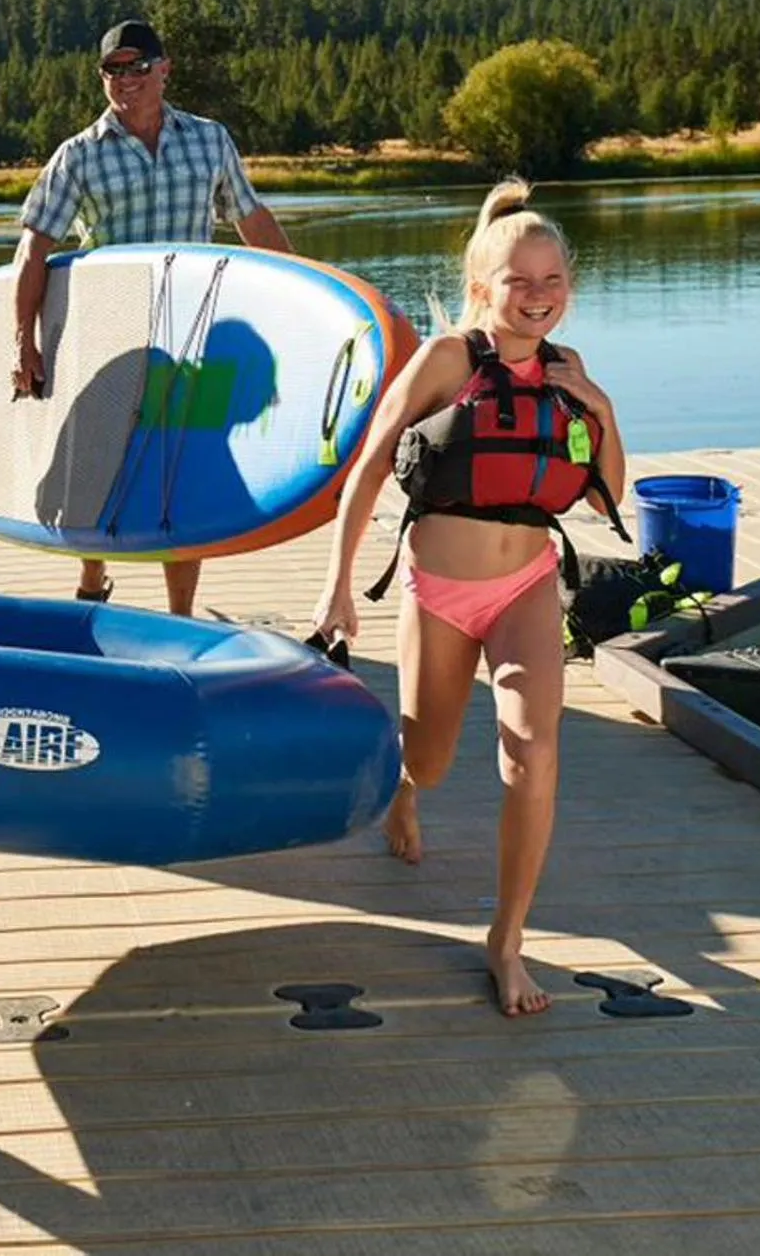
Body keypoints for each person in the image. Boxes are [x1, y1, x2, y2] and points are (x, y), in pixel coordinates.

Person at [308, 179, 628, 1016]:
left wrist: (598, 406)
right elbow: (370, 467)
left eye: (552, 280)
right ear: (483, 288)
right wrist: (337, 587)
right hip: (442, 590)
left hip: (525, 584)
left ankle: (506, 938)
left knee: (534, 754)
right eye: (518, 282)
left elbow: (604, 497)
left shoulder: (569, 373)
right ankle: (405, 794)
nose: (538, 297)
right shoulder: (447, 359)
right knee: (431, 758)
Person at [12, 18, 294, 615]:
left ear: (165, 70)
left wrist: (309, 297)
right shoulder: (79, 156)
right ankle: (93, 582)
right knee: (98, 470)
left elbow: (251, 219)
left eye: (137, 67)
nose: (124, 80)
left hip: (192, 341)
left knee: (181, 478)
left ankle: (181, 617)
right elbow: (34, 247)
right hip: (110, 339)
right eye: (112, 70)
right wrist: (25, 344)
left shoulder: (209, 140)